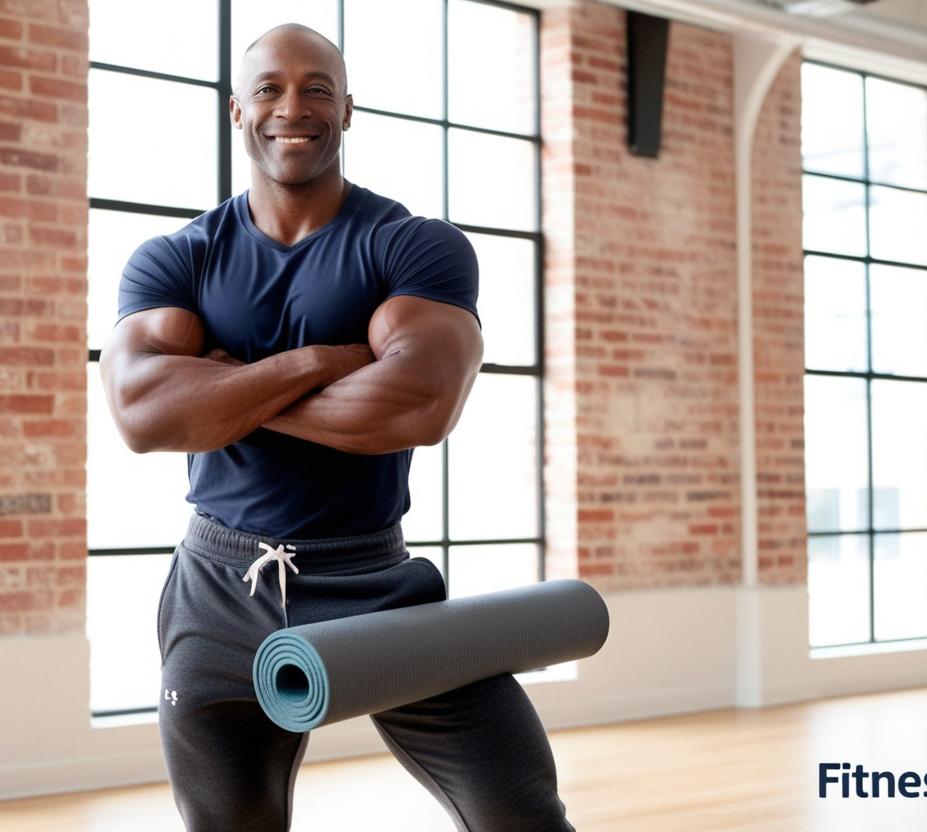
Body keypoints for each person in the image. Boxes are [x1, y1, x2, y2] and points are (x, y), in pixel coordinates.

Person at [98, 22, 575, 832]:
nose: (294, 106)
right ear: (237, 111)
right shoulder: (174, 258)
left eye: (318, 88)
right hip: (217, 596)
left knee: (520, 813)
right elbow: (145, 416)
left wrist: (224, 390)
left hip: (374, 586)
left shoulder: (412, 247)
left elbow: (417, 407)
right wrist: (315, 361)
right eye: (271, 89)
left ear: (347, 110)